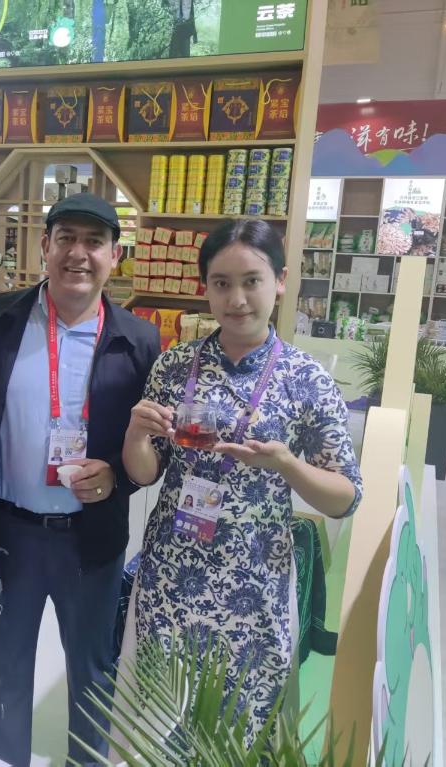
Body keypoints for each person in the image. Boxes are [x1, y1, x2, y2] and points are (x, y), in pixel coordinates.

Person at [121, 219, 363, 745]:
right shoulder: (175, 366)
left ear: (281, 281)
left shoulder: (306, 378)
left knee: (239, 730)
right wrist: (137, 433)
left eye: (252, 281)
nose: (237, 299)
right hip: (172, 574)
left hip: (255, 583)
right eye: (222, 283)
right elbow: (145, 472)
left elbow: (345, 497)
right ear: (205, 287)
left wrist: (287, 465)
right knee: (160, 723)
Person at [0, 193, 160, 766]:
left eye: (94, 242)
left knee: (94, 677)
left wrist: (117, 476)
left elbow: (155, 445)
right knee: (2, 673)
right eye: (66, 238)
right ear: (44, 246)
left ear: (115, 256)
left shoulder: (139, 339)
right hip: (6, 535)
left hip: (90, 540)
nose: (78, 253)